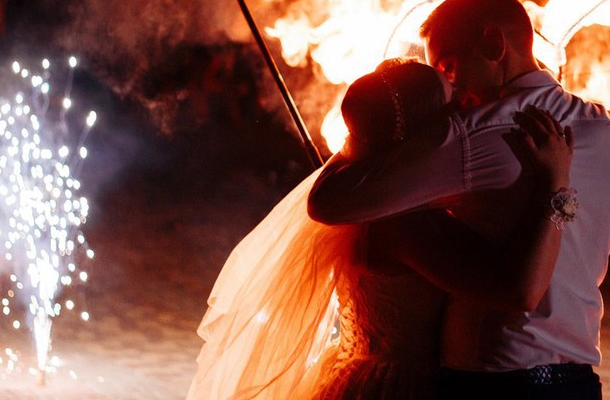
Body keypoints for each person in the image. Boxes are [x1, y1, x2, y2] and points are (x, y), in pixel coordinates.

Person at [308, 0, 610, 398]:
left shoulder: (467, 136)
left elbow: (333, 202)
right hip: (578, 380)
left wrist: (363, 143)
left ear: (493, 42)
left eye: (449, 66)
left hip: (489, 377)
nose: (451, 86)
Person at [187, 57, 573, 399]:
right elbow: (516, 289)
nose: (462, 105)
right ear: (425, 131)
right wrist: (555, 186)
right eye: (450, 102)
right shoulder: (405, 221)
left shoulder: (368, 198)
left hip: (359, 373)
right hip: (402, 386)